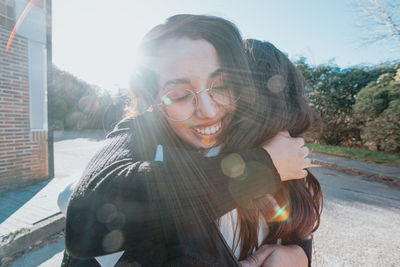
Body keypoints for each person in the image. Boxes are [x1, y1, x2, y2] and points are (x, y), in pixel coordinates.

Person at [63, 14, 314, 267]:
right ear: (155, 101)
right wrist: (264, 166)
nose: (208, 111)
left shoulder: (290, 170)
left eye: (222, 85)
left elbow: (294, 226)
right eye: (180, 95)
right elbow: (85, 213)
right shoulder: (149, 135)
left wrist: (299, 255)